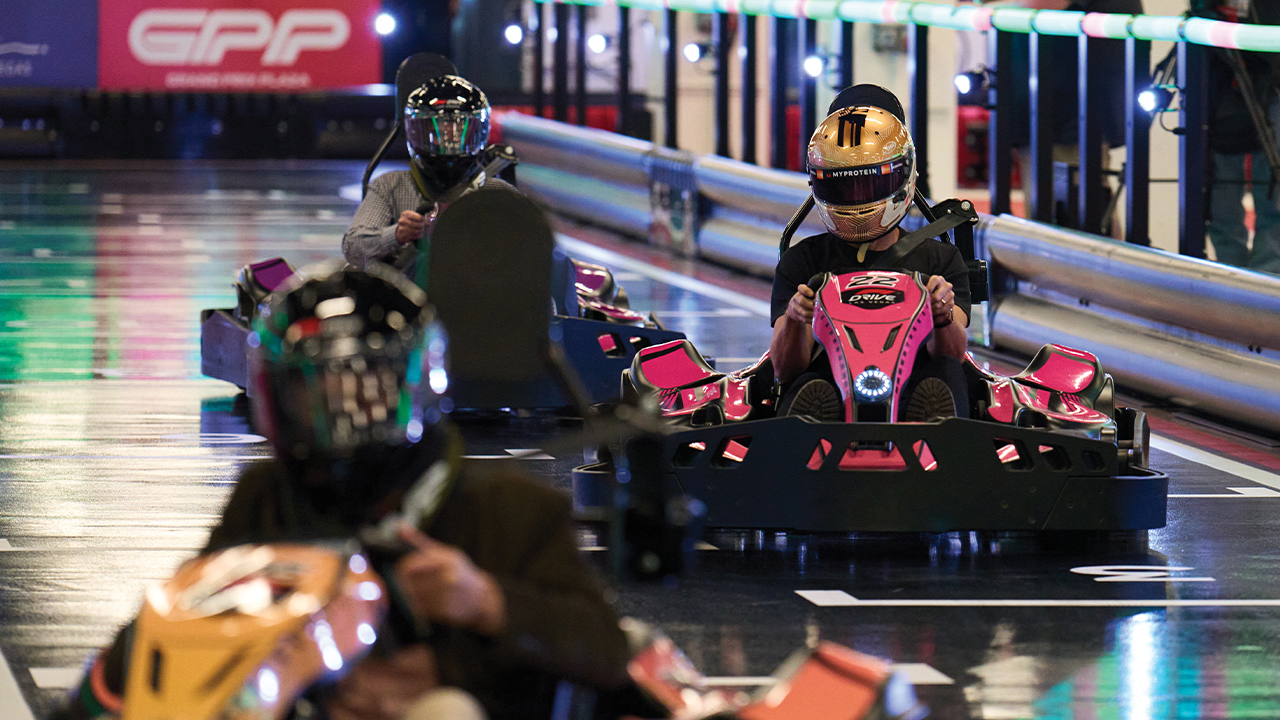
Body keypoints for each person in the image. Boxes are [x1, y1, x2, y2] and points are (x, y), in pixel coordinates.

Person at [53, 264, 631, 720]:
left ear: (414, 389)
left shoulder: (508, 510)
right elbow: (188, 618)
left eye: (364, 394)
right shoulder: (269, 496)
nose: (341, 418)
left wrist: (484, 602)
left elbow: (609, 651)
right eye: (317, 397)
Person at [770, 86, 971, 422]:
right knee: (805, 384)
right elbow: (784, 368)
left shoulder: (940, 261)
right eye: (842, 188)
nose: (857, 201)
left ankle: (936, 431)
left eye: (868, 185)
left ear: (902, 176)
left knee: (947, 376)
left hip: (916, 390)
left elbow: (953, 354)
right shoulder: (803, 262)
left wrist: (942, 316)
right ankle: (811, 430)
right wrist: (794, 318)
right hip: (830, 390)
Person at [343, 75, 513, 274]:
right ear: (416, 133)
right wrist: (396, 235)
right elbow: (353, 248)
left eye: (458, 132)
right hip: (406, 290)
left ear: (477, 133)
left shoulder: (499, 194)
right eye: (440, 131)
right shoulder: (389, 186)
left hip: (476, 289)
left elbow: (531, 253)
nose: (449, 142)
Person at [1200, 0, 1280, 274]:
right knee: (1221, 190)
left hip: (1271, 78)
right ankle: (1229, 272)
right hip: (1220, 79)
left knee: (1272, 187)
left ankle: (1268, 274)